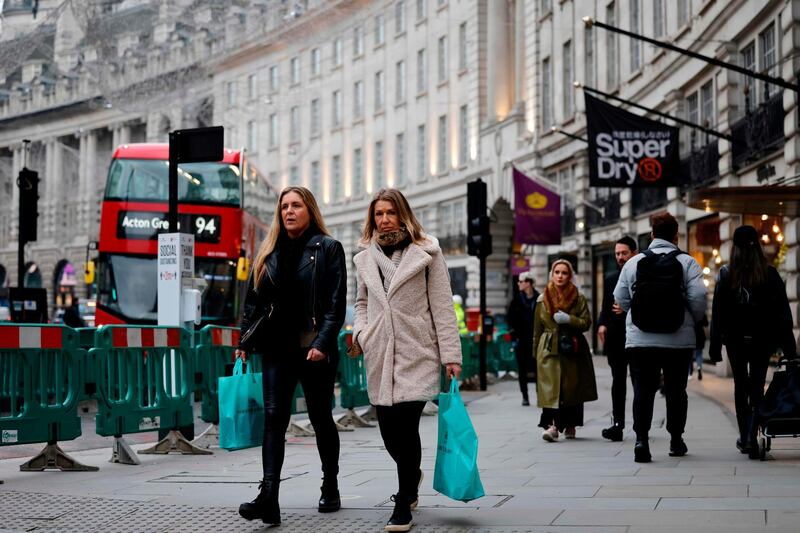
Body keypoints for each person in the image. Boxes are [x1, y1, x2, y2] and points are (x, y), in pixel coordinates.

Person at [235, 187, 347, 525]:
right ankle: (269, 496)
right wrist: (244, 340)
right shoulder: (268, 252)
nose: (289, 211)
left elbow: (335, 304)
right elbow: (253, 302)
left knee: (320, 417)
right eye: (284, 206)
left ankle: (330, 484)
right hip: (276, 348)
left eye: (296, 205)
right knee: (273, 419)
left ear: (309, 210)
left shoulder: (328, 249)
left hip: (313, 348)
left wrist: (323, 343)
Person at [352, 188, 462, 532]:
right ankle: (411, 474)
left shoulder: (427, 252)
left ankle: (403, 501)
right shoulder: (364, 258)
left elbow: (443, 305)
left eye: (390, 212)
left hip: (418, 350)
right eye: (378, 214)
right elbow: (360, 303)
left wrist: (451, 355)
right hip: (380, 352)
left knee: (406, 426)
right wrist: (361, 333)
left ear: (403, 214)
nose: (384, 219)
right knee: (388, 432)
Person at [614, 212, 706, 463]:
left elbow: (620, 297)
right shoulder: (688, 262)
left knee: (642, 390)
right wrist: (692, 320)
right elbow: (698, 298)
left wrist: (636, 309)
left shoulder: (634, 263)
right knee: (677, 390)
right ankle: (676, 440)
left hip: (641, 340)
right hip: (678, 339)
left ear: (652, 235)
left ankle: (641, 440)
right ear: (677, 235)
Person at [709, 225, 797, 458]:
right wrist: (790, 348)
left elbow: (718, 314)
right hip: (762, 339)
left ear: (734, 248)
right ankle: (751, 432)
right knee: (757, 385)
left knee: (740, 384)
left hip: (736, 340)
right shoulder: (769, 274)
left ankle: (745, 436)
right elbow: (783, 314)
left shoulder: (727, 275)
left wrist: (715, 346)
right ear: (757, 246)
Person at [534, 259, 598, 442]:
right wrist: (534, 355)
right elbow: (536, 330)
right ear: (552, 275)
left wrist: (569, 319)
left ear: (570, 276)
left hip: (572, 347)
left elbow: (586, 323)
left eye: (564, 273)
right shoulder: (542, 299)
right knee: (551, 389)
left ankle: (570, 424)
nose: (560, 276)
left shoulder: (579, 298)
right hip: (548, 349)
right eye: (557, 272)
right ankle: (552, 427)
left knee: (570, 389)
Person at [598, 236, 637, 441]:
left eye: (624, 253)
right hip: (615, 337)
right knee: (618, 382)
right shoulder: (610, 277)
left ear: (634, 253)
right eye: (617, 254)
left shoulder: (642, 272)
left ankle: (641, 426)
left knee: (639, 382)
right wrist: (602, 324)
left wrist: (627, 307)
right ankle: (618, 424)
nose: (620, 257)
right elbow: (605, 307)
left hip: (638, 336)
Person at [507, 271, 540, 406]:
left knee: (539, 369)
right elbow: (510, 319)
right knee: (522, 369)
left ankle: (540, 395)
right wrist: (514, 335)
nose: (518, 284)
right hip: (521, 340)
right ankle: (525, 396)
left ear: (528, 283)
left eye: (521, 281)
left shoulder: (540, 298)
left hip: (536, 339)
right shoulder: (516, 300)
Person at [690, 315, 708, 380]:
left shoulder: (690, 309)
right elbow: (706, 324)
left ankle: (690, 372)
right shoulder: (701, 311)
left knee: (689, 355)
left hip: (691, 334)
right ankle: (699, 367)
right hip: (700, 335)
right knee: (699, 354)